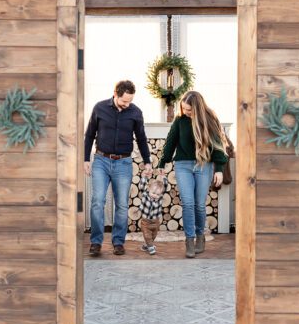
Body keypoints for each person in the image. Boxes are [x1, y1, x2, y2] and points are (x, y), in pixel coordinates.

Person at [156, 91, 229, 258]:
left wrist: (219, 169)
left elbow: (218, 146)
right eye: (184, 109)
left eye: (189, 110)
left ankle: (200, 237)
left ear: (197, 107)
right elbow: (170, 141)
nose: (186, 112)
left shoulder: (210, 120)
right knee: (188, 203)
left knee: (199, 205)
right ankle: (189, 240)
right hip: (183, 166)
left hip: (204, 165)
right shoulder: (179, 121)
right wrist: (162, 162)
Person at [83, 80, 152, 256]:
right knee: (97, 201)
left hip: (123, 163)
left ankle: (118, 242)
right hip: (101, 160)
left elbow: (142, 138)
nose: (127, 104)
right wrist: (85, 159)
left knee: (121, 204)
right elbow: (90, 134)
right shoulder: (99, 108)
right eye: (124, 101)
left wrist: (147, 161)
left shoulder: (135, 113)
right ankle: (96, 242)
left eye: (130, 101)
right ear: (115, 94)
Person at [136, 171, 165, 256]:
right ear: (149, 190)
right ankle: (151, 247)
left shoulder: (160, 198)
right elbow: (142, 186)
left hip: (155, 221)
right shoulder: (145, 194)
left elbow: (165, 187)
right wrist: (144, 177)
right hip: (146, 221)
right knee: (147, 234)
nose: (154, 195)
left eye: (157, 194)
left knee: (153, 235)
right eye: (153, 193)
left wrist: (164, 178)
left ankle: (147, 245)